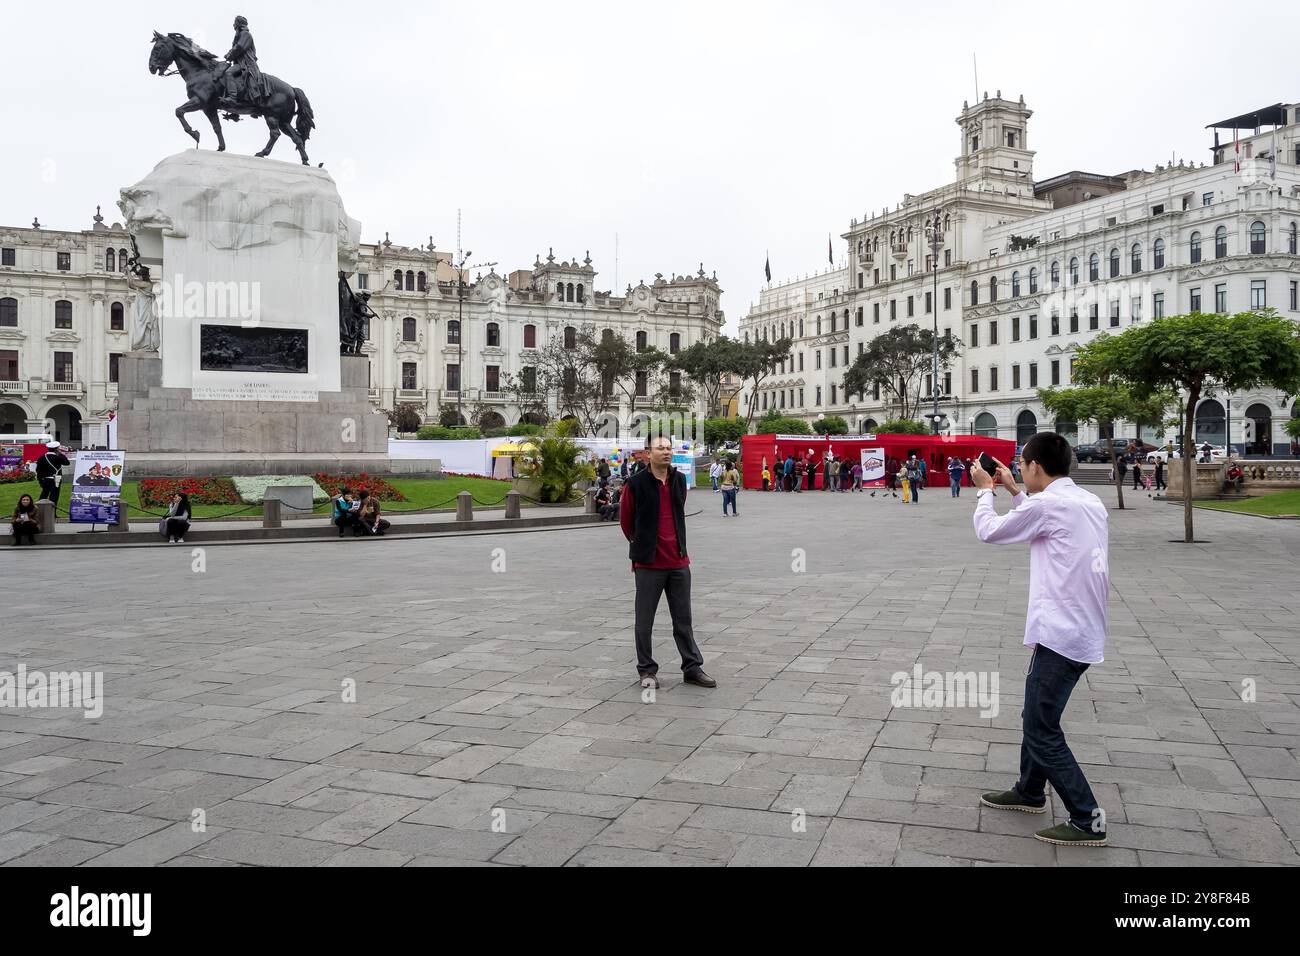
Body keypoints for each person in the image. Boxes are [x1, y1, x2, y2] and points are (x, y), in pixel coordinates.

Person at [971, 433, 1109, 847]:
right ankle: (1030, 791)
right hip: (1081, 629)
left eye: (1021, 464)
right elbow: (1042, 522)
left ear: (1035, 466)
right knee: (1037, 715)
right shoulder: (1087, 501)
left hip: (1061, 633)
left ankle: (1087, 818)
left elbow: (990, 532)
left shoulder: (1050, 505)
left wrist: (984, 493)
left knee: (1040, 726)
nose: (1018, 469)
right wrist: (1015, 491)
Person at [619, 435, 716, 690]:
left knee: (683, 619)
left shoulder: (679, 480)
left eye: (668, 448)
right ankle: (647, 671)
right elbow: (626, 521)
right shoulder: (635, 484)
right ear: (648, 453)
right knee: (644, 621)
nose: (666, 452)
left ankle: (692, 667)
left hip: (678, 562)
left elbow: (678, 510)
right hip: (649, 564)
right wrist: (642, 544)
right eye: (660, 448)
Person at [35, 441, 70, 506]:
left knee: (43, 495)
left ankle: (39, 512)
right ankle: (52, 513)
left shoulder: (41, 458)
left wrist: (40, 481)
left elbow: (38, 471)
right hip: (56, 479)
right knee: (54, 497)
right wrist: (60, 453)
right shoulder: (58, 457)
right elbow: (67, 462)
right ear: (56, 449)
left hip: (45, 480)